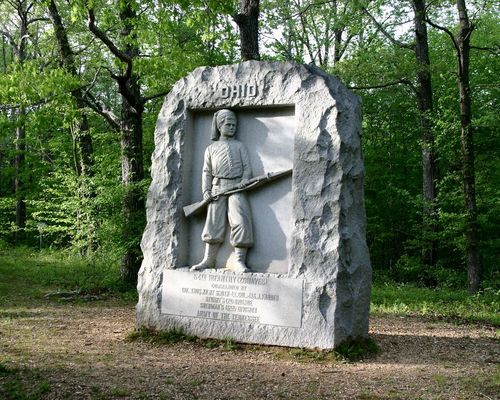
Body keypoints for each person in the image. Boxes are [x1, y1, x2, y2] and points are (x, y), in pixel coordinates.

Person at [191, 109, 253, 273]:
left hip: (237, 189)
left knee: (241, 222)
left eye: (234, 125)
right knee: (213, 224)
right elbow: (206, 172)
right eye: (228, 124)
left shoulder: (240, 146)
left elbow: (247, 169)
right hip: (217, 189)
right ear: (220, 126)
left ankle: (239, 261)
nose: (232, 127)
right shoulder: (211, 149)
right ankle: (208, 260)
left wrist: (244, 180)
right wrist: (206, 191)